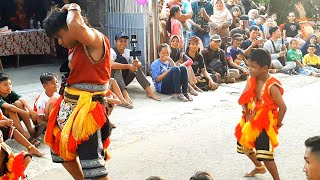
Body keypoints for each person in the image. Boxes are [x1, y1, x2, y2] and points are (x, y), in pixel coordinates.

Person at [43, 3, 114, 179]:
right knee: (59, 149)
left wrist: (74, 6)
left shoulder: (95, 39)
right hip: (69, 105)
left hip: (87, 110)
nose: (60, 42)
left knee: (92, 165)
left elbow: (75, 26)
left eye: (60, 36)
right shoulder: (75, 45)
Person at [235, 48, 287, 180]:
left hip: (266, 122)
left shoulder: (272, 86)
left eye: (253, 67)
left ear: (264, 68)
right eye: (249, 66)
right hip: (250, 117)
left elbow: (283, 107)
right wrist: (245, 112)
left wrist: (277, 124)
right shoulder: (251, 79)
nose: (249, 69)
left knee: (265, 155)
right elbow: (243, 98)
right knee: (244, 145)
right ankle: (259, 167)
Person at [111, 32, 160, 104]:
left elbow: (140, 63)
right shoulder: (111, 51)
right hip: (114, 81)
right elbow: (111, 65)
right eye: (120, 41)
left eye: (125, 41)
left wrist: (136, 64)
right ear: (115, 42)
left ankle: (149, 91)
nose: (123, 43)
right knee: (118, 64)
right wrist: (128, 66)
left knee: (136, 67)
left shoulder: (129, 52)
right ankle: (125, 94)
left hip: (124, 79)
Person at [0, 73, 40, 146]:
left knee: (18, 103)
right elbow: (9, 107)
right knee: (11, 110)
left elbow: (21, 99)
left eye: (10, 84)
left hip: (11, 118)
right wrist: (27, 114)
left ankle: (31, 130)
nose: (9, 87)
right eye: (5, 85)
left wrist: (30, 110)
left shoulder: (10, 92)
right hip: (2, 120)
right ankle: (25, 135)